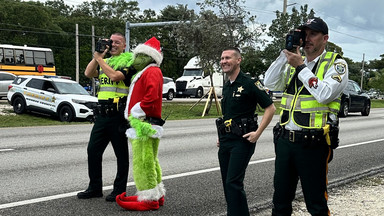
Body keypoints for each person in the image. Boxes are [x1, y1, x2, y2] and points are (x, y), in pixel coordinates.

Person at [264, 17, 349, 215]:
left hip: (313, 143)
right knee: (280, 202)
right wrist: (286, 53)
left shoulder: (336, 64)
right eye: (304, 34)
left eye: (313, 34)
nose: (307, 38)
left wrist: (301, 67)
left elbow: (326, 93)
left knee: (316, 204)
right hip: (285, 141)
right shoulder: (292, 62)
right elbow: (269, 82)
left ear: (325, 38)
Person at [217, 47, 276, 215]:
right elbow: (226, 115)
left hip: (242, 140)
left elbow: (270, 108)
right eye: (222, 58)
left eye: (228, 58)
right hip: (226, 140)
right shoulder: (227, 85)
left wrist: (258, 133)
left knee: (233, 183)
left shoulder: (250, 82)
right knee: (227, 184)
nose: (223, 61)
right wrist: (220, 136)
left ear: (238, 60)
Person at [77, 32, 135, 202]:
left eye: (118, 42)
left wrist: (100, 60)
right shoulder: (105, 61)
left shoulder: (129, 61)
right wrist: (98, 57)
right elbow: (88, 73)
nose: (113, 45)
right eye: (111, 42)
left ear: (124, 46)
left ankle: (119, 190)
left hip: (118, 115)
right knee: (93, 151)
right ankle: (95, 187)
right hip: (102, 115)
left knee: (121, 155)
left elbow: (116, 76)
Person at [115, 37, 166, 211]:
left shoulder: (151, 71)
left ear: (148, 57)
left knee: (142, 161)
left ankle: (148, 197)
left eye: (139, 56)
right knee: (151, 160)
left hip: (143, 123)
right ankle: (156, 193)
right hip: (147, 123)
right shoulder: (148, 71)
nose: (134, 60)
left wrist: (137, 110)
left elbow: (151, 97)